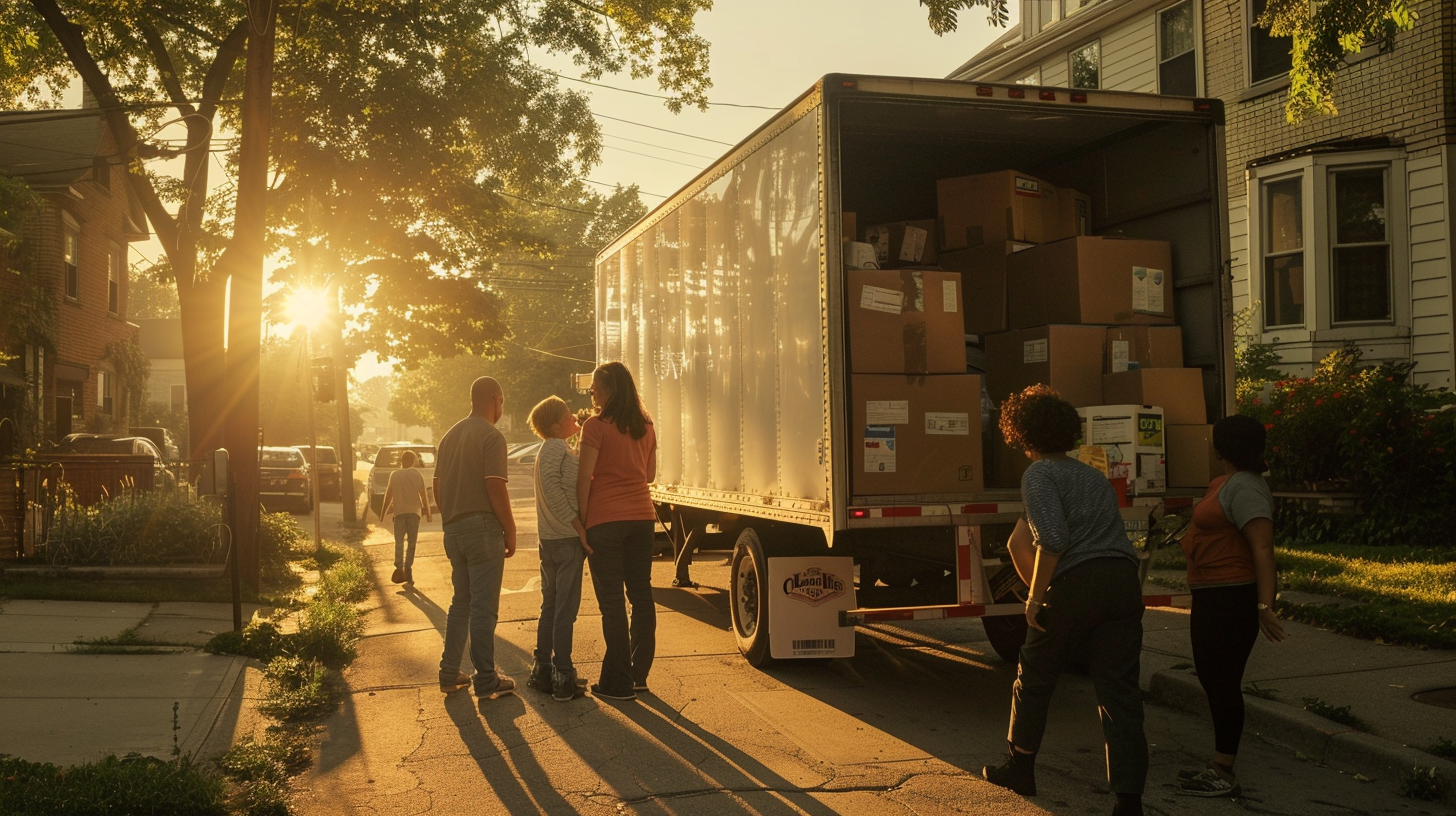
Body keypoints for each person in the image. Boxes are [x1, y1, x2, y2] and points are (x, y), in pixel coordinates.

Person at [982, 384, 1147, 816]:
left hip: (1080, 583)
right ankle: (1129, 801)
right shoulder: (1090, 476)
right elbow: (1035, 529)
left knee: (1034, 675)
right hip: (1123, 580)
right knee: (1120, 694)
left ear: (1020, 433)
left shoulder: (1038, 475)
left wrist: (1034, 599)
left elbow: (1052, 539)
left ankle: (1020, 767)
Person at [1177, 414, 1286, 797]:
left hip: (1231, 597)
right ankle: (1218, 765)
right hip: (1211, 594)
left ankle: (1224, 771)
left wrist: (1263, 606)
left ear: (1221, 446)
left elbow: (1262, 546)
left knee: (1222, 682)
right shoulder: (1226, 482)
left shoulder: (1247, 488)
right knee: (1212, 679)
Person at [577, 361, 657, 701]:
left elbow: (584, 478)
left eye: (595, 386)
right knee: (640, 594)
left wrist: (581, 523)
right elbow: (649, 475)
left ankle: (619, 683)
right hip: (642, 518)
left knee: (611, 603)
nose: (591, 392)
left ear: (609, 389)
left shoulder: (595, 426)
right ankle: (635, 676)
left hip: (605, 521)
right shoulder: (646, 426)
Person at [435, 376, 517, 700]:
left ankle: (448, 673)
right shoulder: (491, 436)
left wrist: (451, 517)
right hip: (483, 529)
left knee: (462, 603)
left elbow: (437, 487)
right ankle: (486, 679)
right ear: (495, 400)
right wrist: (509, 529)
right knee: (484, 607)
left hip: (452, 528)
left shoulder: (449, 436)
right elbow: (495, 485)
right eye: (502, 403)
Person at [524, 396, 593, 702]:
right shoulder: (553, 447)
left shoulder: (557, 448)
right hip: (564, 540)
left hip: (551, 541)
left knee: (550, 607)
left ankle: (542, 671)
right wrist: (578, 526)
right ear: (554, 425)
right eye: (567, 414)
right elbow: (554, 488)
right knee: (564, 610)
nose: (573, 416)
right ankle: (563, 675)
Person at [383, 449, 432, 585]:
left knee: (399, 542)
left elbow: (388, 496)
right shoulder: (417, 475)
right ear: (414, 461)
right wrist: (428, 513)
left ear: (401, 461)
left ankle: (399, 568)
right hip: (414, 513)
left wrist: (382, 513)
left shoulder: (394, 475)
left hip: (399, 513)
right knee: (411, 543)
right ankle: (408, 568)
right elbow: (423, 496)